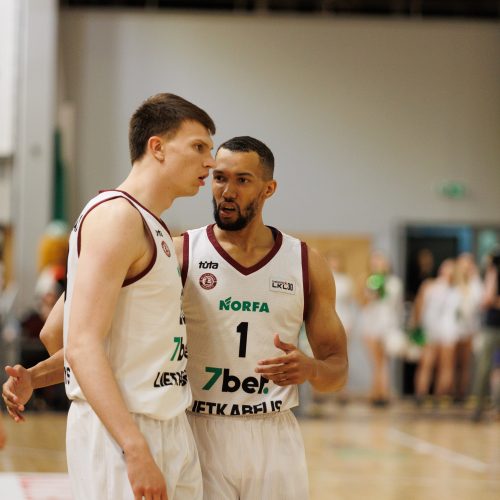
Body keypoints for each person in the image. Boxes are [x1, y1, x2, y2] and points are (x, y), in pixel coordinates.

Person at [3, 136, 348, 499]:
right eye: (219, 177)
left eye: (242, 180)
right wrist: (36, 376)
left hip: (273, 430)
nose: (227, 191)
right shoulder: (177, 252)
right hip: (197, 427)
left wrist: (311, 370)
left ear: (269, 188)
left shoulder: (305, 264)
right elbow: (64, 334)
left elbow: (336, 369)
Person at [4, 92, 216, 500]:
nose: (210, 161)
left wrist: (36, 376)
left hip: (167, 420)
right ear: (156, 147)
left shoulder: (152, 225)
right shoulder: (116, 217)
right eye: (198, 147)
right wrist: (134, 447)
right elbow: (81, 344)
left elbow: (59, 331)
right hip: (127, 429)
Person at [358, 252, 404, 406]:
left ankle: (381, 393)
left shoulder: (394, 283)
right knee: (376, 362)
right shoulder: (368, 281)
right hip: (371, 324)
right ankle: (377, 393)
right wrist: (371, 294)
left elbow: (396, 305)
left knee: (383, 362)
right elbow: (362, 303)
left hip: (387, 324)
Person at [413, 259, 459, 405]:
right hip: (434, 329)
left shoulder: (456, 290)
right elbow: (419, 307)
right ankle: (424, 394)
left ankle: (436, 396)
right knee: (430, 364)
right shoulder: (431, 286)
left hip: (446, 330)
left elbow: (419, 308)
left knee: (442, 366)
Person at [471, 249, 500, 421]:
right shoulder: (492, 271)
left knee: (490, 369)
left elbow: (488, 299)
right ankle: (478, 407)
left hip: (492, 326)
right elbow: (486, 300)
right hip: (491, 326)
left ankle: (485, 407)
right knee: (484, 368)